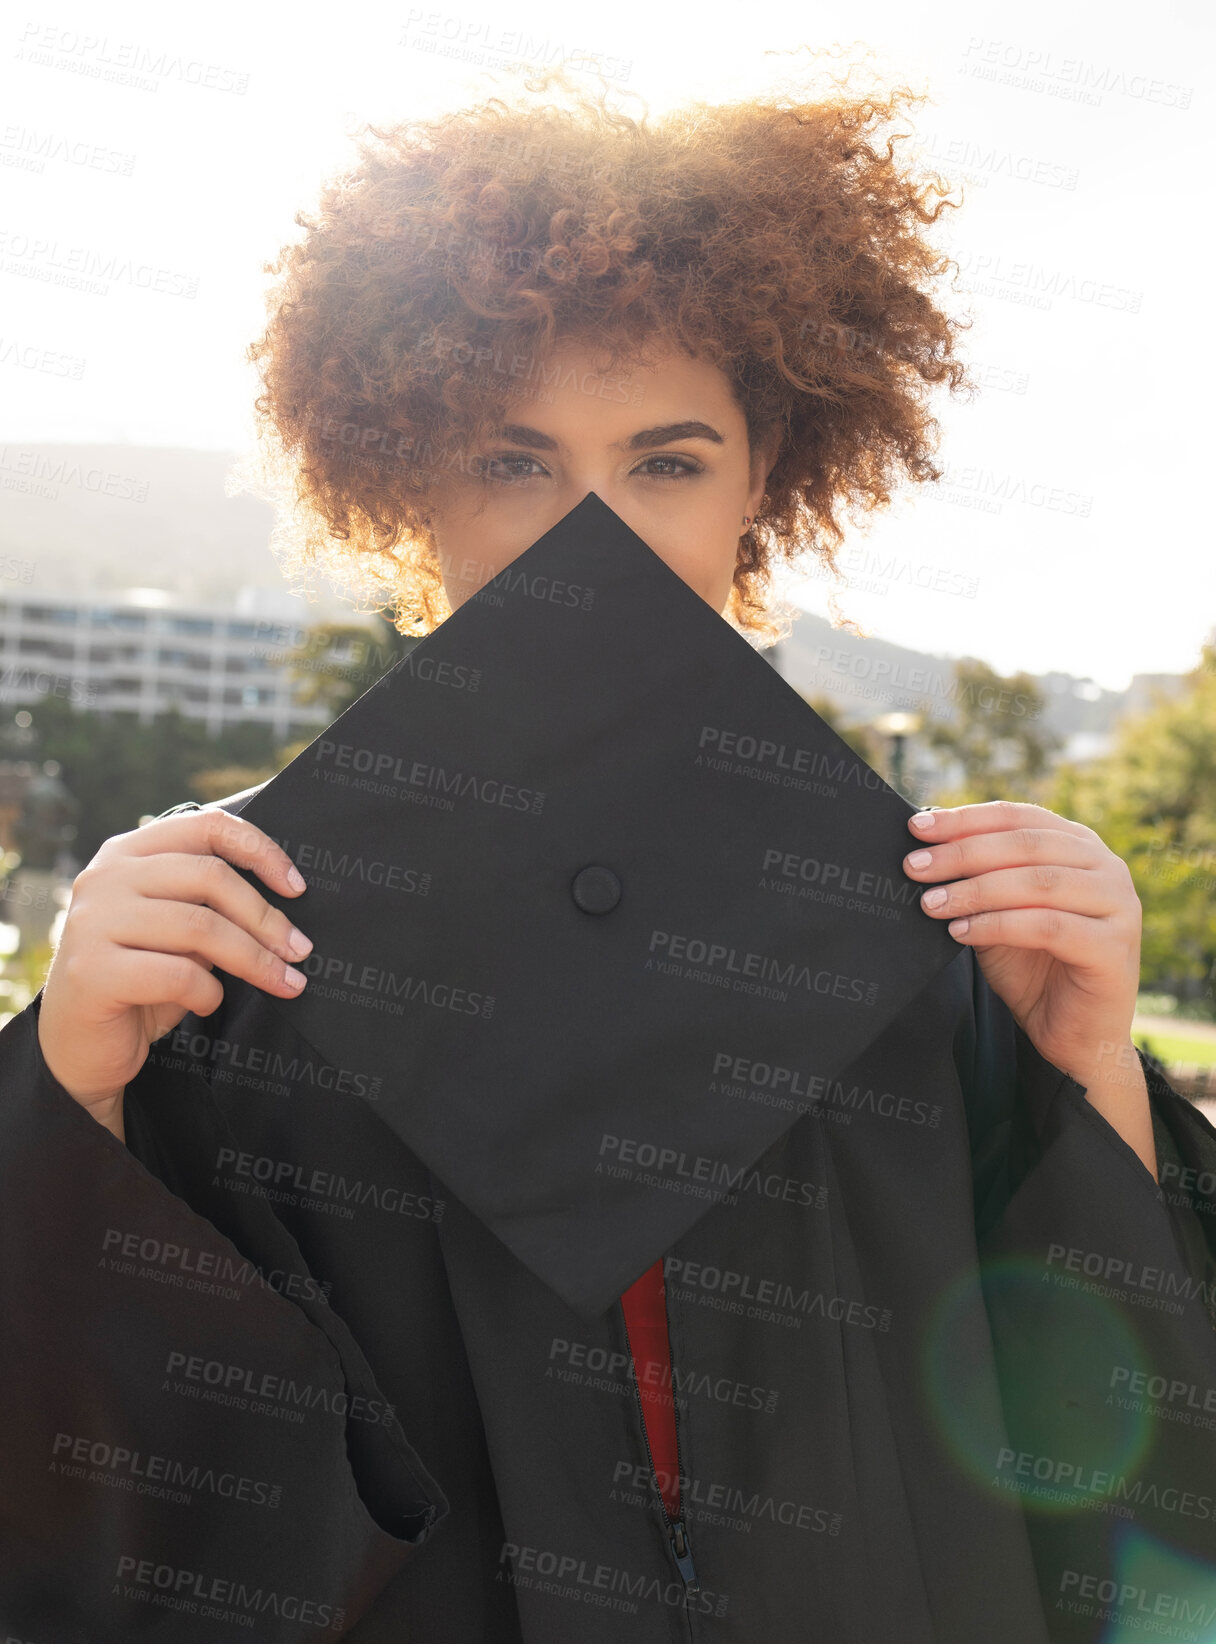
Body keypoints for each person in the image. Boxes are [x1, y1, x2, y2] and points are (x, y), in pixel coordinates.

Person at [4, 64, 1216, 1644]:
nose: (597, 534)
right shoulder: (249, 933)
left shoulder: (920, 927)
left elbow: (1123, 1472)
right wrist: (70, 1091)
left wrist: (1085, 1071)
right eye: (515, 462)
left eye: (667, 461)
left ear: (762, 477)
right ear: (404, 475)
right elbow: (107, 1504)